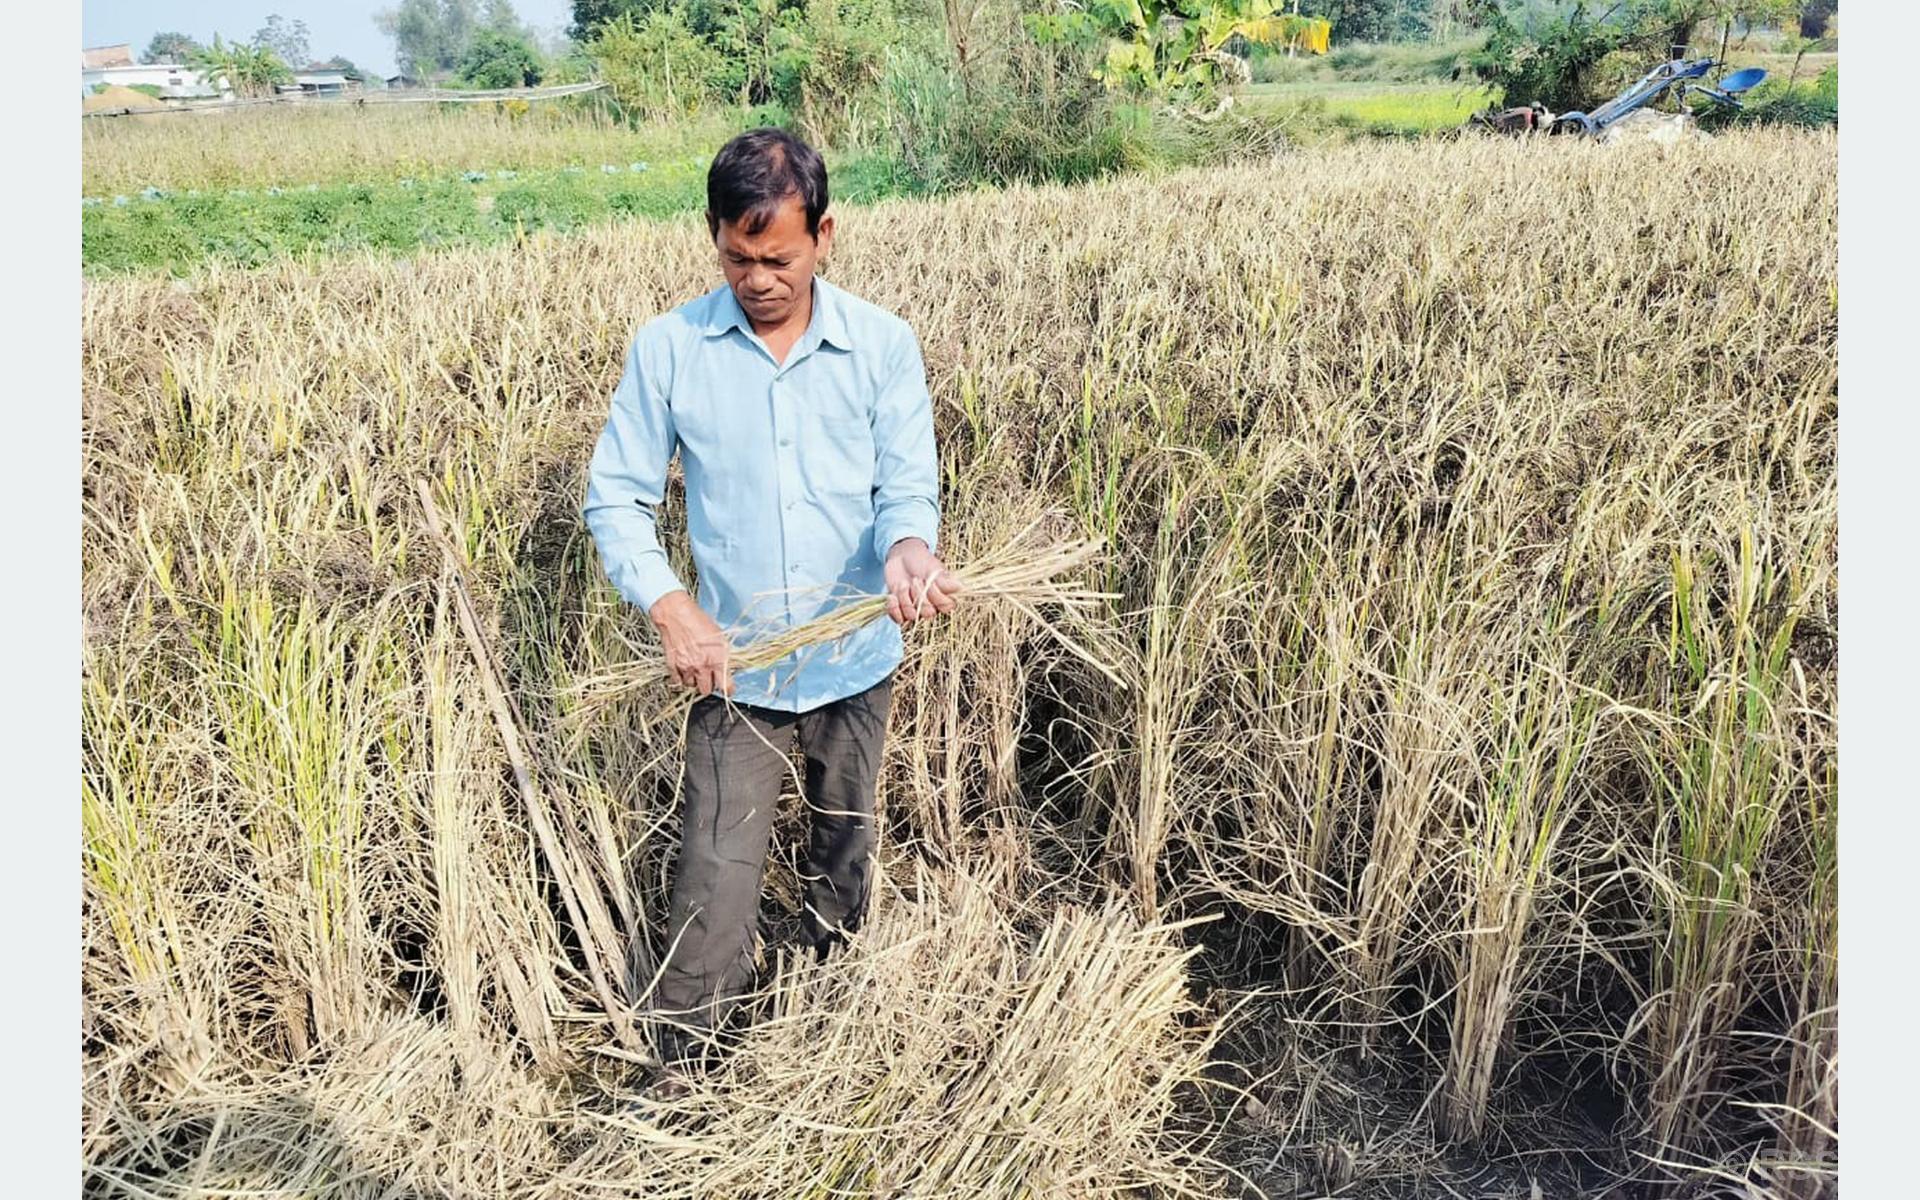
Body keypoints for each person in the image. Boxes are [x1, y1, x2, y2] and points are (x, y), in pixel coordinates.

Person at [582, 128, 958, 1100]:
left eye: (779, 258)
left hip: (856, 658)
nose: (758, 279)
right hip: (736, 671)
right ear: (713, 238)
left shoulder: (882, 345)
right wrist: (670, 605)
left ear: (824, 235)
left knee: (844, 844)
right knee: (713, 875)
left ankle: (828, 1019)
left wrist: (910, 550)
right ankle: (683, 1076)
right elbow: (614, 498)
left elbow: (905, 488)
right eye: (737, 258)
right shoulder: (669, 351)